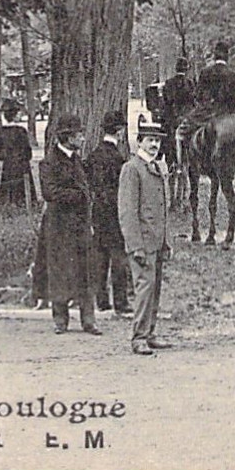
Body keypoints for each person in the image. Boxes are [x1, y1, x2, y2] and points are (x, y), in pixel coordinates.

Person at [39, 114, 100, 336]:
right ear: (67, 137)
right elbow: (50, 193)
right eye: (79, 135)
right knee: (60, 271)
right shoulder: (49, 162)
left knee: (85, 270)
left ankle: (88, 319)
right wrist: (78, 196)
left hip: (80, 225)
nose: (83, 139)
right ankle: (60, 319)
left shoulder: (77, 161)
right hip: (59, 226)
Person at [118, 122, 171, 355]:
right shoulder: (132, 169)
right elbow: (127, 211)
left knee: (154, 289)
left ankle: (150, 332)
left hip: (157, 242)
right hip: (142, 243)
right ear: (139, 142)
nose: (154, 145)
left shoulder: (157, 168)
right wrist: (135, 245)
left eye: (157, 141)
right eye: (150, 140)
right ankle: (138, 337)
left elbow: (163, 209)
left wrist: (166, 242)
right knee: (144, 288)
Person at [87, 112, 132, 318]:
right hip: (114, 211)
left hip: (98, 210)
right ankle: (120, 302)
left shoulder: (94, 155)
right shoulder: (118, 158)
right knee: (118, 256)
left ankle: (101, 300)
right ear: (120, 131)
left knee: (100, 255)